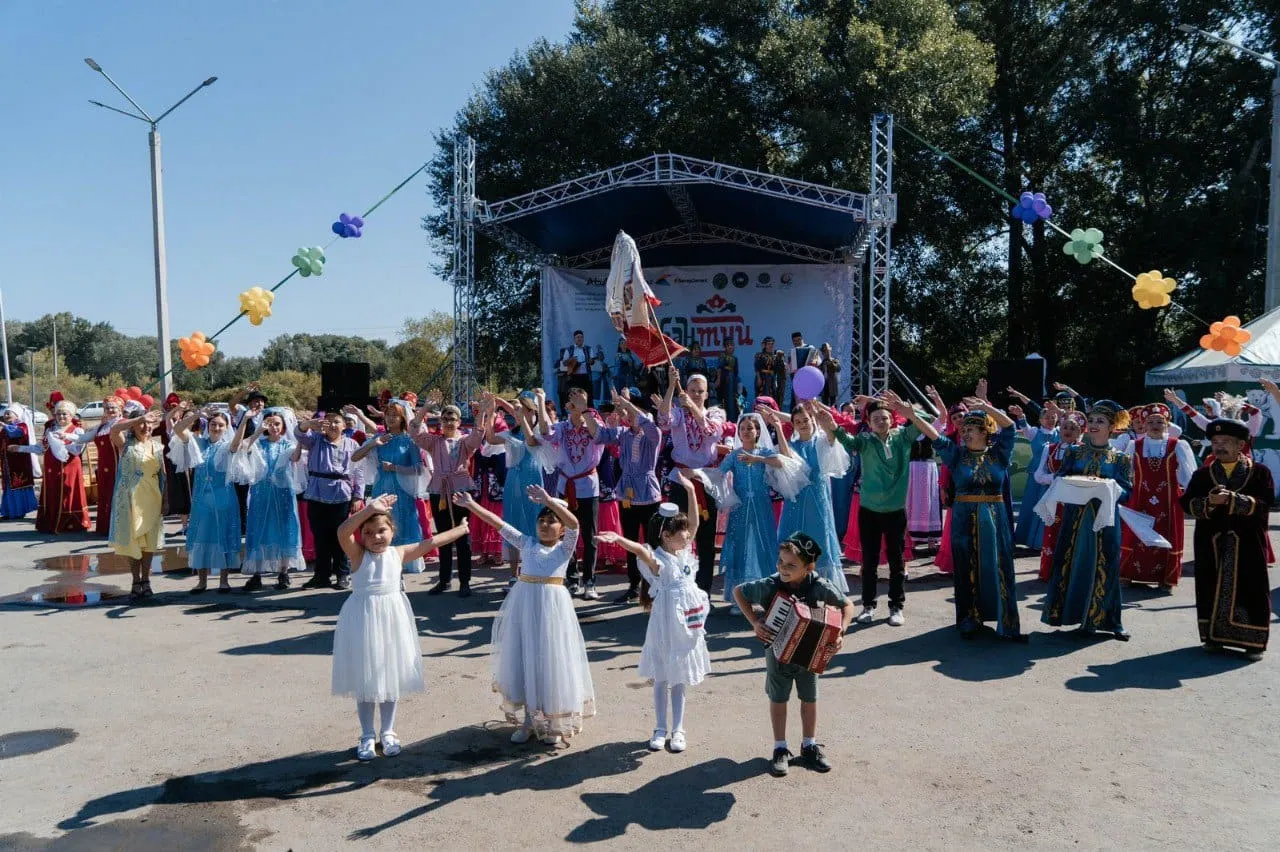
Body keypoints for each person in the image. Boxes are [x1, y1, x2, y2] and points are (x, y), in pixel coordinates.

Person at [330, 495, 470, 760]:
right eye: (368, 533)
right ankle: (367, 735)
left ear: (392, 531)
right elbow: (342, 531)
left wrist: (461, 530)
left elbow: (432, 542)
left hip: (392, 620)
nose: (376, 537)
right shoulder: (357, 554)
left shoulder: (399, 553)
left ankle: (388, 731)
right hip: (363, 619)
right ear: (361, 536)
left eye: (381, 530)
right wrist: (369, 510)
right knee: (365, 679)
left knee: (389, 676)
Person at [454, 486, 595, 745]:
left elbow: (575, 523)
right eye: (541, 520)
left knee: (551, 660)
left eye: (551, 521)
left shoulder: (565, 548)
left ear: (561, 529)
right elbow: (497, 523)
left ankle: (553, 721)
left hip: (553, 610)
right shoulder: (526, 542)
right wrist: (471, 505)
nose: (544, 525)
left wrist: (550, 501)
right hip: (524, 606)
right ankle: (530, 720)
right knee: (525, 657)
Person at [597, 478, 709, 754]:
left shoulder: (684, 552)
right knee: (661, 676)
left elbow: (695, 523)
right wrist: (620, 538)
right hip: (666, 620)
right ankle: (660, 728)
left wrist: (692, 491)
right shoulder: (660, 559)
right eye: (680, 531)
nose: (687, 533)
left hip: (690, 620)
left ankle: (678, 729)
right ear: (666, 536)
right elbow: (640, 551)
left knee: (680, 677)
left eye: (685, 530)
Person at [733, 532, 855, 777]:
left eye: (791, 565)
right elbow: (739, 592)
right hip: (776, 652)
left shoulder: (819, 585)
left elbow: (847, 605)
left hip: (810, 654)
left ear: (809, 567)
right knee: (779, 698)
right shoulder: (770, 584)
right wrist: (756, 623)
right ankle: (780, 748)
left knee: (809, 698)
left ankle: (809, 744)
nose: (783, 568)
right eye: (780, 562)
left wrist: (840, 632)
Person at [828, 393, 939, 625]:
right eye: (875, 418)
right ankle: (868, 606)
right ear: (868, 422)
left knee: (896, 562)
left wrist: (903, 408)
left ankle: (896, 607)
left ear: (892, 419)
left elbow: (927, 417)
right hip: (869, 510)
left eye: (885, 417)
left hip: (896, 511)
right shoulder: (866, 441)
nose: (881, 421)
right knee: (868, 562)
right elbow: (848, 441)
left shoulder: (903, 437)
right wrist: (832, 425)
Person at [1040, 400, 1133, 640]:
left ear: (1112, 427)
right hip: (1075, 519)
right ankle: (1072, 616)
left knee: (1106, 566)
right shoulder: (1073, 451)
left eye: (1100, 422)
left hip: (1105, 522)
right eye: (1091, 421)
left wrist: (1109, 488)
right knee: (1073, 561)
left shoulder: (1121, 458)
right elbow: (1060, 478)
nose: (1093, 425)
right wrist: (1073, 482)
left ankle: (1109, 621)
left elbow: (1127, 492)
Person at [933, 401, 1025, 640]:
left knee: (999, 565)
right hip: (964, 517)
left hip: (995, 518)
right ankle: (969, 619)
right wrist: (911, 415)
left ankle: (1005, 619)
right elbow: (935, 436)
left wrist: (987, 408)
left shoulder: (999, 455)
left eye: (970, 429)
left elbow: (1010, 427)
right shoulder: (957, 456)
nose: (964, 433)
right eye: (962, 431)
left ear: (985, 432)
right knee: (966, 567)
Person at [1181, 419, 1272, 660]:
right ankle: (1213, 638)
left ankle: (1253, 643)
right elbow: (1186, 503)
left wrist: (1233, 500)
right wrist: (1208, 503)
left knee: (1251, 588)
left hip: (1247, 543)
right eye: (1215, 442)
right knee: (1210, 585)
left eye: (1225, 442)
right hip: (1211, 542)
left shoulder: (1260, 472)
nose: (1219, 447)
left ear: (1240, 444)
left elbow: (1265, 505)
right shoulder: (1203, 473)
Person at [716, 412, 807, 608]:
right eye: (743, 428)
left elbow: (781, 461)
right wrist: (699, 474)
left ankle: (769, 595)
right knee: (740, 547)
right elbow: (719, 473)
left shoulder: (764, 452)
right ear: (738, 433)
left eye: (750, 428)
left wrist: (757, 459)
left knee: (764, 546)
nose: (746, 431)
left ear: (758, 431)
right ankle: (738, 600)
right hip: (740, 509)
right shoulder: (734, 454)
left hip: (761, 505)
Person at [656, 368, 728, 597]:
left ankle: (703, 590)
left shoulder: (716, 413)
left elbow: (713, 433)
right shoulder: (678, 413)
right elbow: (664, 420)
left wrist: (694, 408)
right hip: (680, 481)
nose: (696, 394)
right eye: (693, 390)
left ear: (707, 394)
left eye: (701, 391)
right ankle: (677, 587)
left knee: (706, 539)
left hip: (705, 481)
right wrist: (670, 386)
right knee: (677, 535)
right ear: (685, 391)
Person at [770, 402, 850, 595]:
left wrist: (824, 420)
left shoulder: (821, 441)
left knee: (819, 540)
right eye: (797, 422)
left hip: (818, 502)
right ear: (794, 425)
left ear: (812, 420)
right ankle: (791, 587)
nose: (803, 424)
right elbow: (785, 458)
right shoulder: (792, 445)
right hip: (795, 503)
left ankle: (823, 590)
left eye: (805, 420)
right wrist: (779, 428)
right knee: (792, 541)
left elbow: (832, 440)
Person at [411, 397, 487, 597]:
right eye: (445, 418)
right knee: (443, 537)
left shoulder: (464, 441)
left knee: (463, 536)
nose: (448, 422)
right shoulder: (434, 441)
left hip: (461, 490)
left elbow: (478, 437)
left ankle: (464, 582)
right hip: (439, 491)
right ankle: (444, 581)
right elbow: (415, 430)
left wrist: (481, 414)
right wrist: (426, 407)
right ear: (441, 422)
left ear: (459, 422)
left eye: (452, 419)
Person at [541, 386, 611, 599]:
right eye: (571, 401)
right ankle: (571, 578)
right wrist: (540, 400)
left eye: (578, 400)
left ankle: (589, 581)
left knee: (589, 536)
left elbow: (598, 435)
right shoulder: (562, 427)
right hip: (565, 486)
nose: (574, 404)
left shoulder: (594, 422)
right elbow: (545, 431)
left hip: (588, 487)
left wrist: (584, 409)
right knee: (565, 534)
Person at [1119, 400, 1196, 590]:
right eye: (1151, 422)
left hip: (1169, 500)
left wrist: (1188, 496)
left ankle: (1165, 578)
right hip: (1140, 498)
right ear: (1144, 425)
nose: (1155, 426)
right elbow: (1124, 472)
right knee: (1136, 534)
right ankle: (1129, 574)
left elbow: (1189, 474)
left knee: (1167, 534)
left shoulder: (1178, 445)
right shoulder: (1133, 445)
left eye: (1159, 422)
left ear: (1167, 424)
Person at [597, 388, 663, 603]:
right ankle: (634, 584)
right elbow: (601, 436)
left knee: (653, 542)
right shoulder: (623, 434)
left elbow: (648, 425)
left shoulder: (653, 433)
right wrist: (607, 416)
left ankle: (655, 583)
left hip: (648, 492)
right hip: (626, 491)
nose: (630, 416)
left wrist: (627, 404)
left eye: (634, 413)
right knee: (630, 540)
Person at [229, 407, 303, 593]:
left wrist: (301, 438)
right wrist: (257, 432)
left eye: (277, 424)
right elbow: (242, 447)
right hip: (261, 493)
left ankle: (283, 572)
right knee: (259, 530)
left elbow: (295, 457)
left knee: (284, 530)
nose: (274, 427)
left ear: (283, 426)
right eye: (270, 424)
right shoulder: (259, 443)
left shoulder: (288, 445)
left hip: (282, 493)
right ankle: (257, 574)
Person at [170, 406, 240, 594]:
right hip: (202, 500)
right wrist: (196, 415)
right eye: (213, 424)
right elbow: (178, 430)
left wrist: (247, 420)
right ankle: (202, 581)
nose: (216, 428)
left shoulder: (228, 447)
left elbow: (237, 443)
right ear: (207, 426)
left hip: (224, 498)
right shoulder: (198, 443)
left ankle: (224, 581)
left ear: (226, 428)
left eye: (221, 425)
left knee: (223, 536)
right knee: (202, 537)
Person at [354, 399, 428, 575]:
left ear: (403, 418)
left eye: (395, 415)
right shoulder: (379, 438)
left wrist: (395, 468)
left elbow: (419, 469)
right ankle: (382, 563)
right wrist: (373, 444)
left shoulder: (409, 441)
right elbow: (355, 457)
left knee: (403, 524)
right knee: (381, 524)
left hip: (403, 492)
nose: (391, 418)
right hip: (382, 490)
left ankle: (405, 562)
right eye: (388, 414)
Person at [296, 411, 366, 590]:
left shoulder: (352, 444)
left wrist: (358, 495)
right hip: (316, 491)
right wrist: (310, 424)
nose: (333, 425)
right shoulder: (316, 440)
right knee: (320, 536)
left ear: (344, 426)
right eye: (330, 422)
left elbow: (359, 472)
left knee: (341, 536)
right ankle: (321, 575)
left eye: (337, 422)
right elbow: (299, 433)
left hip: (341, 493)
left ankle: (342, 574)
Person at [106, 408, 167, 601]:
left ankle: (146, 580)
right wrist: (140, 418)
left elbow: (163, 476)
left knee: (149, 542)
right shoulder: (126, 443)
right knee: (133, 541)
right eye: (142, 423)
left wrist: (166, 500)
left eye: (149, 424)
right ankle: (135, 580)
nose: (146, 427)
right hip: (129, 499)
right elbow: (114, 430)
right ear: (133, 425)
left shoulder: (158, 447)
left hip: (152, 498)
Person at [1032, 410, 1084, 581]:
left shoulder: (1085, 451)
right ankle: (1050, 571)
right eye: (1065, 427)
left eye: (1073, 428)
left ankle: (1071, 574)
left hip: (1076, 499)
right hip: (1054, 498)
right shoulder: (1050, 448)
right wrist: (1055, 478)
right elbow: (1038, 475)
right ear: (1059, 429)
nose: (1068, 430)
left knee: (1073, 534)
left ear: (1080, 431)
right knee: (1052, 533)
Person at [27, 398, 90, 533]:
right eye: (58, 414)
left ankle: (70, 523)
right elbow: (40, 448)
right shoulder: (50, 429)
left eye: (64, 414)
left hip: (69, 467)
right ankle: (50, 522)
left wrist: (63, 441)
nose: (61, 416)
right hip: (52, 467)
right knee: (52, 491)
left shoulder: (77, 430)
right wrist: (20, 448)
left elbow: (77, 451)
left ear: (71, 416)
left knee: (68, 491)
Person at [73, 395, 124, 535]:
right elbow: (83, 438)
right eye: (107, 408)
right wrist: (65, 436)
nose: (110, 410)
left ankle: (118, 528)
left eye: (113, 407)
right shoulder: (102, 426)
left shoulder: (124, 423)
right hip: (103, 466)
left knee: (117, 494)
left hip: (118, 464)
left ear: (120, 409)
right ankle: (105, 527)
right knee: (105, 494)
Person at [229, 385, 269, 534]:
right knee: (243, 493)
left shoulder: (267, 416)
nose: (258, 404)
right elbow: (231, 404)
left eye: (261, 401)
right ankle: (243, 527)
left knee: (260, 492)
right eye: (255, 401)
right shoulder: (243, 414)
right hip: (244, 458)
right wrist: (245, 391)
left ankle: (259, 524)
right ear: (249, 403)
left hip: (262, 459)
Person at [160, 394, 193, 530]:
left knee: (194, 493)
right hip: (177, 465)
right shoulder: (172, 428)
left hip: (192, 465)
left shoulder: (193, 427)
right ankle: (184, 526)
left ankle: (194, 524)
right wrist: (177, 408)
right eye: (170, 408)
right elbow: (168, 418)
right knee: (182, 495)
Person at [0, 403, 39, 519]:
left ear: (17, 416)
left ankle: (18, 511)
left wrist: (3, 425)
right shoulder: (4, 429)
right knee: (8, 487)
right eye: (5, 413)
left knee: (18, 485)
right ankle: (8, 511)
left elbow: (15, 433)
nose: (6, 415)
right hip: (7, 463)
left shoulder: (22, 426)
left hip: (19, 463)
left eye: (8, 413)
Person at [557, 330, 594, 408]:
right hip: (574, 377)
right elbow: (564, 363)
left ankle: (591, 415)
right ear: (574, 339)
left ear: (583, 338)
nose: (579, 339)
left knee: (588, 397)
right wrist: (572, 360)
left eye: (581, 337)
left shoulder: (588, 349)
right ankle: (575, 415)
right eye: (577, 337)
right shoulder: (569, 349)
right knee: (574, 397)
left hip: (586, 377)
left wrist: (591, 361)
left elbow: (592, 361)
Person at [786, 332, 819, 407]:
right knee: (796, 402)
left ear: (802, 339)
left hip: (809, 379)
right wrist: (789, 367)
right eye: (794, 341)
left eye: (798, 339)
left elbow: (817, 362)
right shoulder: (792, 351)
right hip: (797, 379)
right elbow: (790, 368)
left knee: (810, 400)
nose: (797, 342)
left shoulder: (811, 348)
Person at [754, 337, 785, 404]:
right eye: (768, 344)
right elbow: (757, 367)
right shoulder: (760, 355)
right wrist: (758, 378)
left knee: (772, 395)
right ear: (764, 345)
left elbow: (777, 369)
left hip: (772, 378)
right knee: (762, 395)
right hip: (762, 377)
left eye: (772, 344)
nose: (770, 346)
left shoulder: (775, 356)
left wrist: (781, 358)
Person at [717, 340, 741, 421]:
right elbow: (720, 368)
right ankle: (726, 418)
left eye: (732, 345)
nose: (731, 347)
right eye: (728, 345)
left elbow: (736, 372)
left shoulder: (735, 358)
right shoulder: (722, 356)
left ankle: (733, 418)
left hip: (733, 379)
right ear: (725, 347)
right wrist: (718, 379)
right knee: (725, 398)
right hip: (725, 378)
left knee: (733, 398)